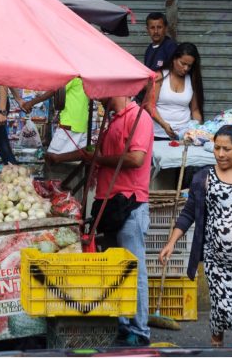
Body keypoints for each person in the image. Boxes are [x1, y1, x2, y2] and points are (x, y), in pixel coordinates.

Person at [159, 125, 232, 348]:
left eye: (226, 149)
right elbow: (189, 212)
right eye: (217, 148)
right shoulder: (204, 178)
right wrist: (171, 242)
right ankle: (216, 337)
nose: (220, 154)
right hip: (219, 264)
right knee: (223, 309)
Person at [86, 95, 154, 347]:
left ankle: (139, 328)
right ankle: (123, 324)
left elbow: (136, 158)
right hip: (109, 202)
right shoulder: (114, 120)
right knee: (117, 269)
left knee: (133, 269)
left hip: (129, 203)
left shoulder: (140, 118)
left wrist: (99, 160)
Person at [22, 77, 89, 164]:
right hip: (82, 127)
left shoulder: (73, 77)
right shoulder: (84, 78)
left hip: (69, 126)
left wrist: (32, 102)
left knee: (51, 159)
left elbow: (55, 90)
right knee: (74, 162)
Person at [145, 42, 204, 141]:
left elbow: (195, 110)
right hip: (158, 133)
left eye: (189, 66)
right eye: (183, 63)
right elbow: (150, 105)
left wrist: (197, 129)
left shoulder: (192, 80)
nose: (186, 68)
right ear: (174, 59)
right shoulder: (160, 76)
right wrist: (163, 124)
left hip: (183, 135)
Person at [134, 12, 178, 105]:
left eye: (159, 27)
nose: (156, 31)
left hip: (164, 99)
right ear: (147, 30)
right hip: (150, 96)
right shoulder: (149, 49)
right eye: (152, 28)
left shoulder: (170, 47)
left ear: (165, 28)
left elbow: (174, 72)